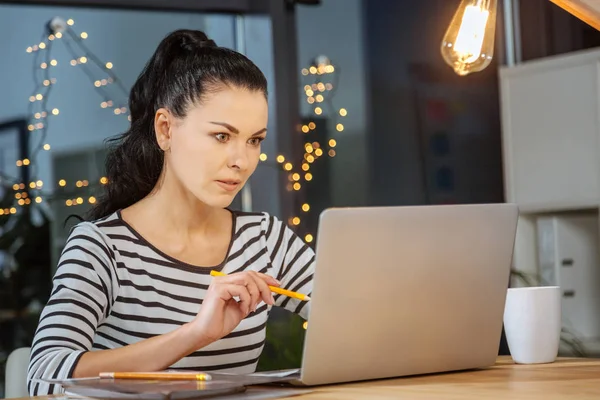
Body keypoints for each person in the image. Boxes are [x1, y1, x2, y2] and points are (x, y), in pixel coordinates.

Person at [27, 29, 315, 396]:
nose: (241, 161)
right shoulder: (103, 248)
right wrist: (197, 333)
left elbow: (353, 322)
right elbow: (42, 378)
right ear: (165, 129)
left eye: (254, 140)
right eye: (222, 136)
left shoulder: (264, 239)